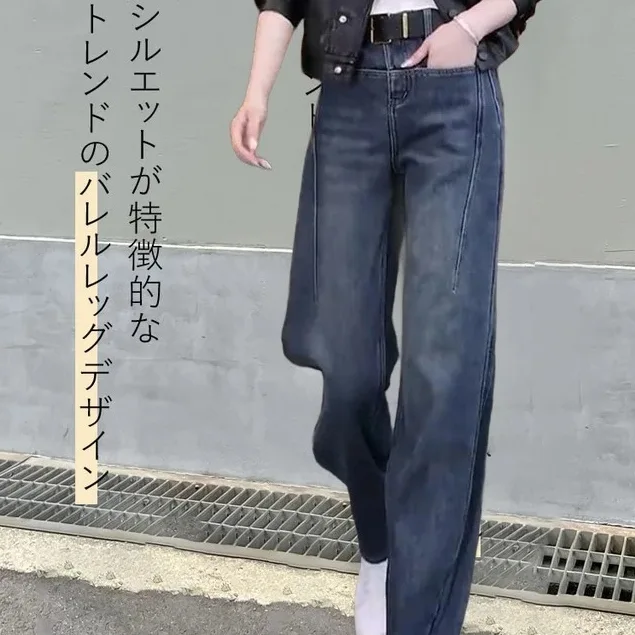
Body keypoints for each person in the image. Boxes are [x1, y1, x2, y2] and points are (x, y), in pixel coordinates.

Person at [230, 1, 539, 633]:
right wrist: (257, 90)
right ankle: (382, 539)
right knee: (344, 368)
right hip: (350, 94)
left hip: (453, 90)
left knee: (444, 377)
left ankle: (418, 618)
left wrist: (467, 29)